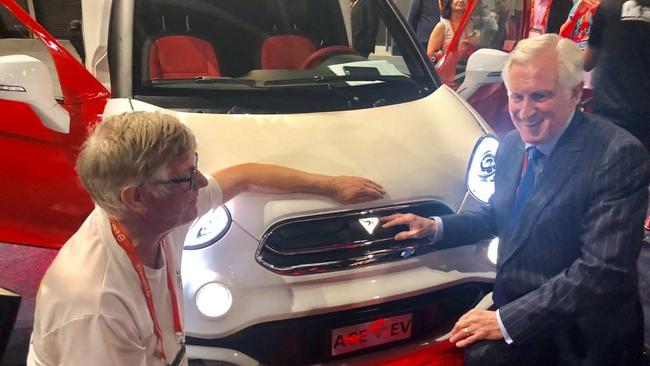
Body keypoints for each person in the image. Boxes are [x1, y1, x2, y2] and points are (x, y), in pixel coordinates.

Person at [26, 111, 385, 366]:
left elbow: (244, 176)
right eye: (185, 176)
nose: (199, 183)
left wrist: (331, 185)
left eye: (194, 165)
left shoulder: (153, 215)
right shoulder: (97, 305)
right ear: (135, 197)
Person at [382, 34, 648, 365]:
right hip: (523, 305)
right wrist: (435, 227)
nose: (525, 112)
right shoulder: (510, 144)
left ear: (575, 93)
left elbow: (603, 272)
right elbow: (499, 215)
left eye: (540, 96)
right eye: (516, 96)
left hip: (579, 332)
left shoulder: (616, 155)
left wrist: (506, 322)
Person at [583, 0, 650, 149]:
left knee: (606, 166)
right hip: (645, 117)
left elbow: (587, 63)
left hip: (608, 112)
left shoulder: (607, 6)